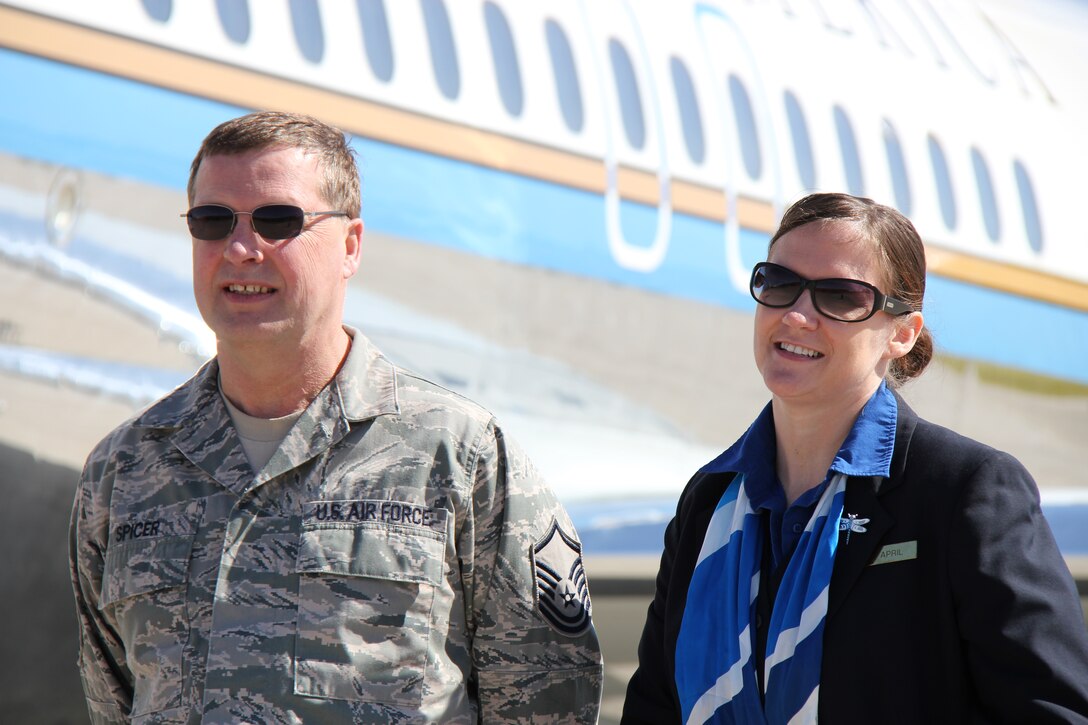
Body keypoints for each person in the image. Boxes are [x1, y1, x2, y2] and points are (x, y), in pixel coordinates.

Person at [69, 110, 602, 724]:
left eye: (278, 221)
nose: (240, 249)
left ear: (350, 246)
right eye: (213, 222)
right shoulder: (124, 472)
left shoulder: (458, 457)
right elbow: (114, 703)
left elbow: (548, 702)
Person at [621, 192, 1088, 724]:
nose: (797, 315)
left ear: (902, 333)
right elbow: (655, 709)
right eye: (778, 283)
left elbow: (1052, 713)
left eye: (840, 297)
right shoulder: (709, 502)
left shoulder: (965, 490)